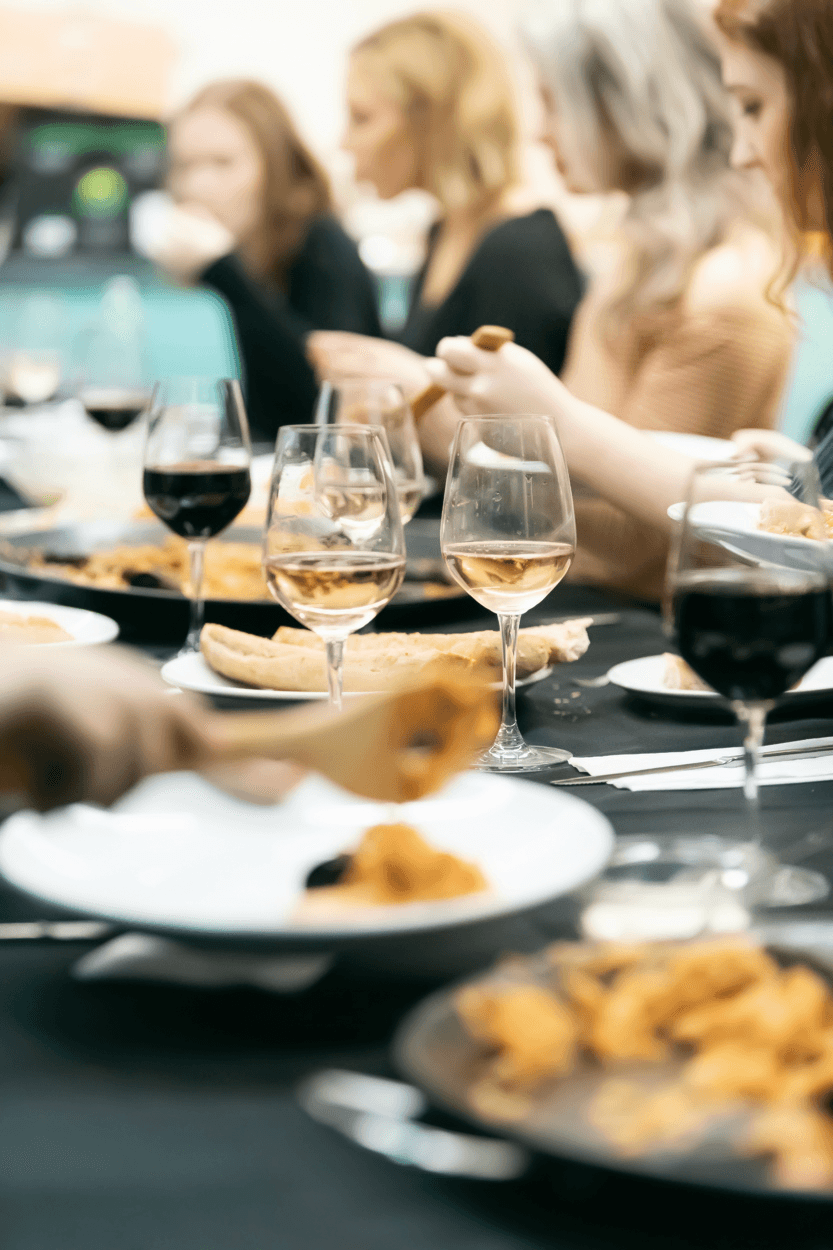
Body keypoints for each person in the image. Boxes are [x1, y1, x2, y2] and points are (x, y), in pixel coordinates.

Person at [428, 0, 833, 588]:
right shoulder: (631, 263)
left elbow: (634, 545)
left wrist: (471, 437)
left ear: (627, 104)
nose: (539, 133)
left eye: (551, 101)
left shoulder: (722, 290)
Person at [307, 12, 584, 414]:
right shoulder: (446, 231)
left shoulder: (521, 249)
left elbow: (515, 441)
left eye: (362, 118)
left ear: (432, 118)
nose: (345, 144)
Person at [149, 80, 381, 443]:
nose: (198, 185)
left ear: (274, 165)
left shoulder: (324, 246)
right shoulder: (254, 253)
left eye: (222, 163)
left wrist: (222, 270)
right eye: (184, 166)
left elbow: (321, 409)